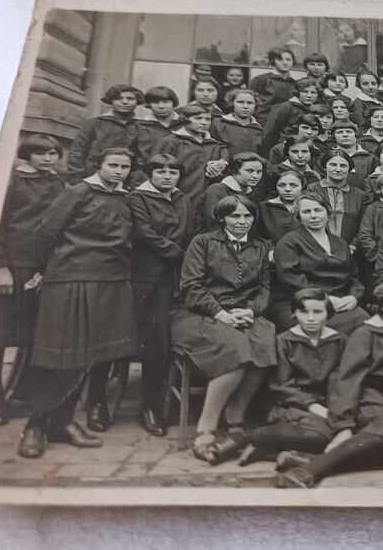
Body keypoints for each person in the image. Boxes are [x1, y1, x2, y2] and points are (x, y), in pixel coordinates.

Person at [17, 147, 137, 458]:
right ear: (98, 165)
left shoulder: (126, 198)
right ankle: (35, 426)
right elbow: (47, 231)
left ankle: (63, 422)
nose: (119, 171)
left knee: (89, 356)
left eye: (125, 167)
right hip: (71, 278)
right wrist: (39, 270)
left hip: (111, 281)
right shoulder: (78, 192)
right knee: (60, 355)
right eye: (113, 165)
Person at [276, 283, 383, 488]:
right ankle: (306, 472)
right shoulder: (365, 335)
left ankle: (309, 460)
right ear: (380, 309)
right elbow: (346, 379)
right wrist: (343, 425)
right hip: (365, 397)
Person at [172, 194, 278, 462]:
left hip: (242, 312)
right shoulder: (203, 242)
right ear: (222, 219)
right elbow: (191, 286)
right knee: (236, 348)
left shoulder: (259, 247)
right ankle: (206, 426)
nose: (242, 221)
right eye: (235, 216)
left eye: (247, 216)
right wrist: (221, 313)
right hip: (201, 314)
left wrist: (251, 310)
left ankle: (235, 417)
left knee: (265, 342)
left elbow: (264, 288)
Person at [0, 134, 65, 426]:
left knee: (35, 332)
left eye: (53, 153)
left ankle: (21, 393)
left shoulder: (58, 183)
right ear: (27, 155)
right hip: (11, 266)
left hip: (41, 267)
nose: (48, 158)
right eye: (40, 153)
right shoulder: (11, 182)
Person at [214, 288, 349, 467]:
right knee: (320, 435)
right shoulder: (284, 341)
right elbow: (281, 385)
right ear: (294, 313)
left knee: (342, 434)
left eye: (318, 312)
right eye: (303, 312)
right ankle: (245, 438)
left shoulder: (339, 341)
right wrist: (312, 406)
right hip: (292, 405)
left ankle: (266, 450)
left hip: (328, 406)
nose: (310, 318)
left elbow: (340, 379)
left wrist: (332, 407)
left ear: (328, 314)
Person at [127, 153, 190, 437]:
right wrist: (177, 252)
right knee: (149, 340)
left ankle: (159, 402)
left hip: (174, 277)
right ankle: (145, 405)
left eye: (173, 172)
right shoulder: (138, 198)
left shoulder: (182, 199)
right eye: (161, 171)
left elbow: (188, 230)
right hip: (146, 275)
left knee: (166, 341)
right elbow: (144, 232)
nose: (167, 176)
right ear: (150, 174)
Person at [271, 193, 370, 335]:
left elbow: (353, 276)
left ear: (327, 213)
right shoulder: (289, 242)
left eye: (318, 210)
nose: (313, 216)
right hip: (301, 303)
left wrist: (353, 297)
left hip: (338, 301)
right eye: (306, 212)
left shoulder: (340, 243)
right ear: (299, 216)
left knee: (364, 321)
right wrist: (324, 299)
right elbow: (290, 278)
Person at [65, 84, 140, 181]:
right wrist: (76, 176)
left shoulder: (141, 126)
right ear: (111, 100)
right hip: (93, 175)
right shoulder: (94, 123)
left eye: (130, 99)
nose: (125, 102)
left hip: (128, 179)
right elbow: (77, 150)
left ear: (137, 101)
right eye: (118, 98)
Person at [161, 104, 228, 209]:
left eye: (207, 119)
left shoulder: (213, 145)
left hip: (205, 199)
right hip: (178, 196)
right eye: (198, 118)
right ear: (185, 119)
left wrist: (219, 167)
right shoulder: (172, 141)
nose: (204, 122)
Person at [307, 150, 366, 246]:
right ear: (325, 167)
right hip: (315, 247)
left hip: (349, 248)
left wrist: (353, 245)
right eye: (333, 165)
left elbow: (364, 225)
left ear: (349, 169)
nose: (338, 169)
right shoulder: (313, 189)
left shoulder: (359, 195)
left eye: (343, 166)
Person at [195, 152, 264, 232]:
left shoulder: (252, 194)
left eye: (259, 171)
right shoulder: (216, 190)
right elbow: (212, 224)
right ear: (235, 170)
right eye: (250, 171)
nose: (255, 176)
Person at [133, 86, 187, 181]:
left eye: (166, 102)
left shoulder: (185, 124)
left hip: (182, 177)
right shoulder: (140, 126)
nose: (161, 106)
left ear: (174, 103)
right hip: (148, 177)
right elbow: (136, 156)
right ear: (149, 104)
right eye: (155, 102)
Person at [262, 77, 320, 153]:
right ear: (297, 92)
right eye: (305, 92)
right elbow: (269, 132)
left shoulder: (317, 110)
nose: (309, 96)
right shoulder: (285, 107)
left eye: (313, 92)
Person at [249, 46, 297, 125]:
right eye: (280, 60)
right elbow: (250, 101)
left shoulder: (294, 83)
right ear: (273, 61)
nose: (285, 63)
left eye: (288, 60)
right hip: (263, 122)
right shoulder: (261, 80)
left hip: (285, 124)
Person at [213, 88, 265, 157]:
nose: (245, 106)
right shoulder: (219, 123)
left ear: (255, 105)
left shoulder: (259, 129)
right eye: (240, 102)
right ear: (232, 103)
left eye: (250, 103)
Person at [257, 170, 304, 242]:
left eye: (293, 185)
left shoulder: (310, 206)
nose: (287, 189)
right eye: (282, 185)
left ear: (302, 186)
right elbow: (258, 236)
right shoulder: (265, 207)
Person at [328, 120, 375, 190]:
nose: (345, 135)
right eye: (340, 132)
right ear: (333, 136)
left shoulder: (370, 158)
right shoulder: (328, 157)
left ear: (355, 134)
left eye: (349, 132)